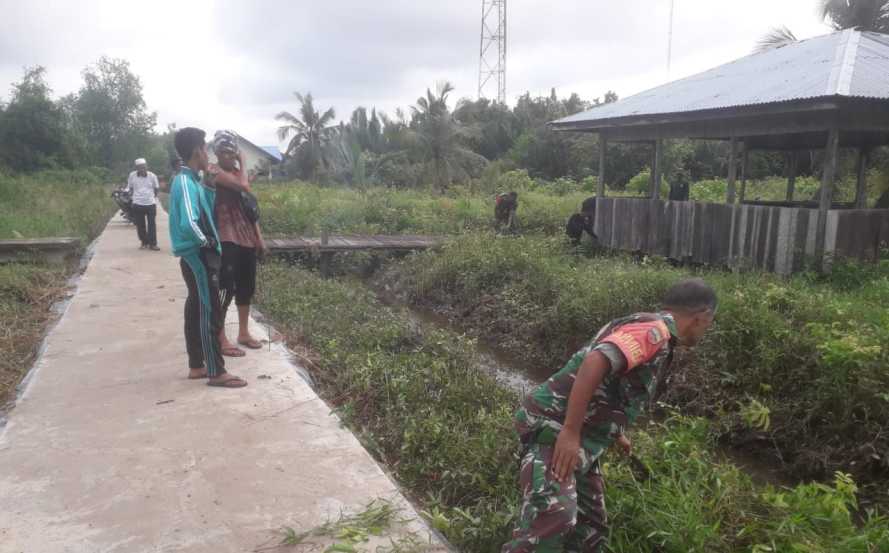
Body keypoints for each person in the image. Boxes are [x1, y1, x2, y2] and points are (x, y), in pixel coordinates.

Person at [501, 278, 717, 553]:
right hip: (551, 426)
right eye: (710, 323)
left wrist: (617, 433)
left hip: (584, 437)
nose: (707, 329)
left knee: (591, 530)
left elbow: (615, 386)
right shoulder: (655, 332)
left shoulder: (653, 330)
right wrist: (570, 431)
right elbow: (595, 362)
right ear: (701, 317)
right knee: (555, 518)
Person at [168, 127, 247, 388]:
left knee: (195, 308)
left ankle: (197, 366)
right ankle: (216, 371)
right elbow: (190, 222)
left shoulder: (192, 181)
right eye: (205, 148)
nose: (208, 153)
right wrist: (207, 242)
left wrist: (211, 186)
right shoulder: (184, 181)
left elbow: (206, 210)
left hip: (198, 253)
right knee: (209, 310)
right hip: (198, 255)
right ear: (196, 152)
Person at [207, 130, 267, 357]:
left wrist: (258, 238)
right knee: (225, 287)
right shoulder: (214, 171)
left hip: (245, 237)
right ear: (216, 152)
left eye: (232, 152)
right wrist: (243, 162)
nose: (228, 156)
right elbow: (243, 186)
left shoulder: (237, 174)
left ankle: (243, 332)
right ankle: (220, 335)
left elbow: (251, 208)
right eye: (223, 152)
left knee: (246, 286)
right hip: (225, 236)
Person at [127, 158, 160, 250]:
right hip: (137, 203)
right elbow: (130, 187)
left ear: (146, 166)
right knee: (140, 225)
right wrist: (131, 197)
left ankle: (153, 244)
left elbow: (156, 188)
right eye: (140, 167)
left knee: (152, 225)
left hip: (150, 203)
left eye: (144, 167)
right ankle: (144, 242)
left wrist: (152, 197)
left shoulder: (152, 176)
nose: (142, 169)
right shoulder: (132, 175)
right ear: (136, 168)